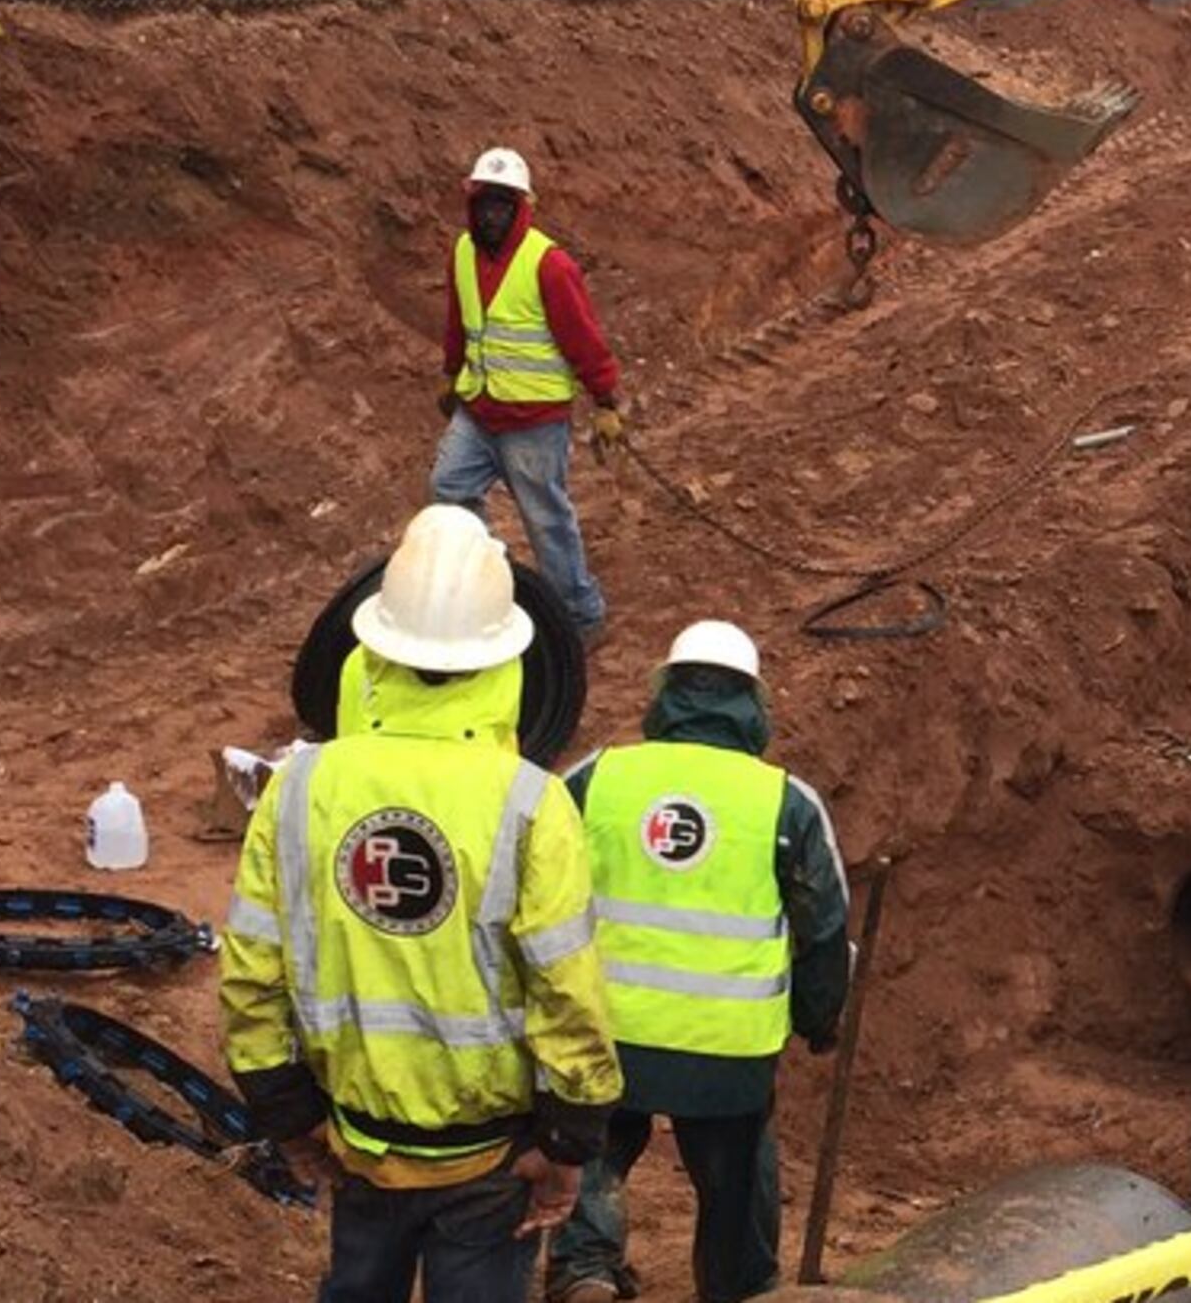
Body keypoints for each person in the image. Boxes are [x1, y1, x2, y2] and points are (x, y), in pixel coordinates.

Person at [221, 505, 624, 1303]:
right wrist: (568, 1142)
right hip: (489, 1157)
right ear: (508, 656)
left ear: (373, 647)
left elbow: (250, 969)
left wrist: (286, 1110)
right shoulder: (531, 802)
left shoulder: (297, 787)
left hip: (357, 1142)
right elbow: (566, 991)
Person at [543, 621, 852, 1303]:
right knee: (736, 1172)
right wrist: (819, 1019)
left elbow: (535, 887)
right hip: (727, 1048)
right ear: (754, 705)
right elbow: (824, 929)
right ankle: (739, 1287)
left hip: (606, 1029)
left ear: (664, 695)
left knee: (592, 1147)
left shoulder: (598, 776)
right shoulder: (785, 801)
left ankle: (585, 1266)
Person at [436, 147, 623, 642]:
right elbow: (459, 321)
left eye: (502, 205)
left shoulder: (549, 265)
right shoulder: (462, 253)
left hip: (534, 421)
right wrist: (451, 373)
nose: (491, 215)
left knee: (546, 521)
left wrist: (605, 400)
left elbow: (583, 338)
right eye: (484, 204)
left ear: (521, 207)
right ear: (472, 204)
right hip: (478, 410)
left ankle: (581, 616)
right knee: (449, 491)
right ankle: (495, 584)